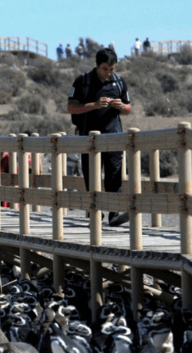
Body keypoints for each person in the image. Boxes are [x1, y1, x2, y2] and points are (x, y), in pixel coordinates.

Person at [67, 48, 132, 227]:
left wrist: (121, 107)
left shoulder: (119, 82)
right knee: (92, 176)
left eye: (112, 69)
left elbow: (128, 109)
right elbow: (71, 108)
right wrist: (93, 105)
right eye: (105, 69)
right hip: (89, 139)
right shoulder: (83, 81)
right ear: (97, 66)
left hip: (114, 137)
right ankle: (95, 213)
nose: (108, 73)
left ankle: (114, 214)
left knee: (114, 174)